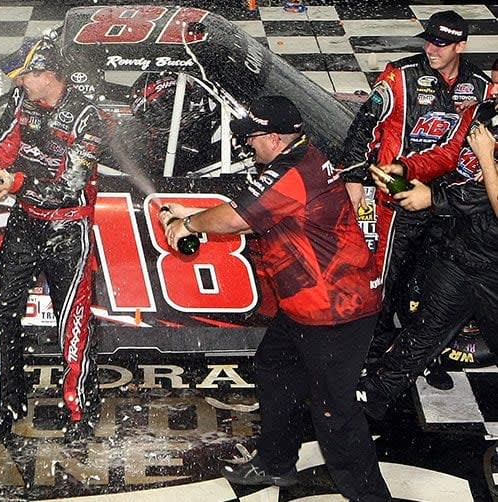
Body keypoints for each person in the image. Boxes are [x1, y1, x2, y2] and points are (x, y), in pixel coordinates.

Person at [162, 96, 389, 500]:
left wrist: (187, 223)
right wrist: (188, 212)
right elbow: (257, 213)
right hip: (308, 307)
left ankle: (371, 497)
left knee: (334, 413)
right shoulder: (301, 157)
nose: (248, 145)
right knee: (274, 368)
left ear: (273, 138)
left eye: (251, 138)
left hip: (337, 311)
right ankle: (276, 463)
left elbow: (238, 219)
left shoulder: (292, 173)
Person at [0, 37, 105, 441]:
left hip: (68, 227)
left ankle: (80, 412)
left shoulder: (89, 118)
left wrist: (14, 182)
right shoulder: (25, 105)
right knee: (1, 314)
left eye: (26, 76)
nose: (21, 83)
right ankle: (3, 405)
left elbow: (70, 185)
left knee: (73, 323)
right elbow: (5, 150)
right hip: (25, 222)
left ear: (48, 73)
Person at [339, 10, 491, 389]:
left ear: (461, 46)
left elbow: (465, 150)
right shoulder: (399, 75)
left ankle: (423, 354)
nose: (431, 48)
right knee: (385, 280)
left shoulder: (480, 86)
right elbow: (363, 126)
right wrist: (357, 179)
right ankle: (369, 358)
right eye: (428, 40)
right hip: (397, 201)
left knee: (431, 283)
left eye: (440, 43)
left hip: (448, 203)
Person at [358, 100, 498, 419]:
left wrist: (486, 162)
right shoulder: (485, 114)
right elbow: (449, 162)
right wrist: (406, 174)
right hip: (462, 252)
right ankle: (373, 396)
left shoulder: (487, 142)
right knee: (425, 330)